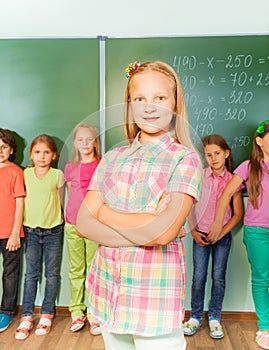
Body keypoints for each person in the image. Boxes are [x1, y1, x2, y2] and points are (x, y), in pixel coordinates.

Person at [76, 61, 202, 350]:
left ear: (175, 103)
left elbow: (162, 233)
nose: (149, 107)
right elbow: (84, 223)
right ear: (130, 104)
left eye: (160, 98)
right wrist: (145, 223)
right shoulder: (112, 158)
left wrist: (105, 214)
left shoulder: (185, 160)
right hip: (108, 291)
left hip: (152, 300)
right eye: (139, 99)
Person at [208, 121, 269, 349]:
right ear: (259, 141)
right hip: (257, 232)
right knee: (262, 279)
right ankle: (265, 327)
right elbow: (225, 195)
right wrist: (216, 224)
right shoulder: (248, 167)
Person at [183, 134, 243, 339]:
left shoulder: (233, 180)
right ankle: (195, 317)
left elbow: (237, 214)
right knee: (198, 278)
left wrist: (221, 233)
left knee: (218, 277)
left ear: (226, 154)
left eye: (217, 153)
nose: (213, 158)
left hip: (222, 238)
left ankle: (215, 317)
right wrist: (192, 231)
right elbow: (189, 206)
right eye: (209, 155)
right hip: (200, 236)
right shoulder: (199, 176)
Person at [15, 134, 64, 340]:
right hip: (31, 231)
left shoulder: (57, 175)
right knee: (31, 274)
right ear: (31, 155)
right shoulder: (25, 175)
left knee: (51, 274)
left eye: (46, 152)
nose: (42, 156)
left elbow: (61, 201)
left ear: (53, 155)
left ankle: (47, 313)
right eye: (37, 152)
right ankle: (27, 314)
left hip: (53, 230)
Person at [64, 123, 101, 334]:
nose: (85, 144)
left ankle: (94, 313)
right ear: (75, 144)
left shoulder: (100, 164)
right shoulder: (70, 166)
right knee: (76, 271)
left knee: (94, 270)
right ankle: (77, 312)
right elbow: (72, 194)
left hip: (94, 226)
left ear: (96, 142)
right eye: (80, 140)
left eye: (89, 139)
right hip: (72, 224)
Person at [0, 128, 25, 332]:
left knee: (10, 274)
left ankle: (6, 312)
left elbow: (19, 204)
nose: (0, 151)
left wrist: (15, 232)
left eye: (4, 147)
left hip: (9, 233)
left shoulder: (15, 171)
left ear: (11, 150)